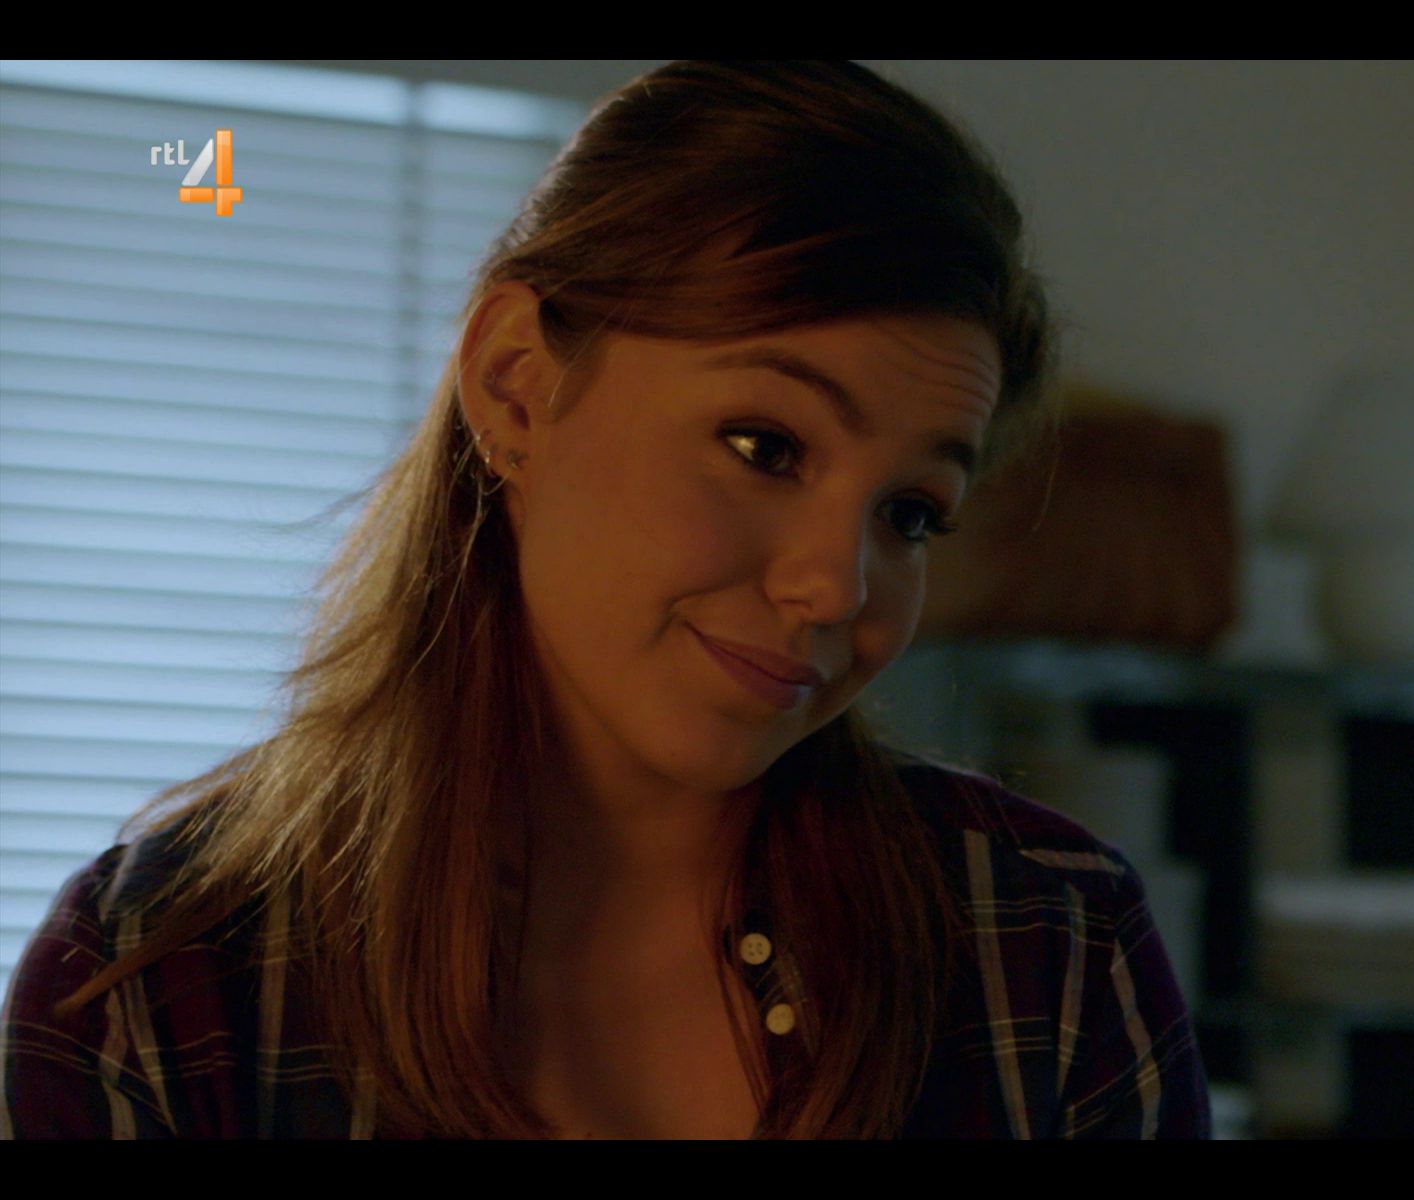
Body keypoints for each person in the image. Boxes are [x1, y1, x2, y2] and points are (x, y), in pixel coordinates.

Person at [0, 60, 1212, 1140]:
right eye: (765, 446)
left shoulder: (1043, 947)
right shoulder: (165, 987)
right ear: (515, 386)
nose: (834, 588)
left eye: (908, 514)